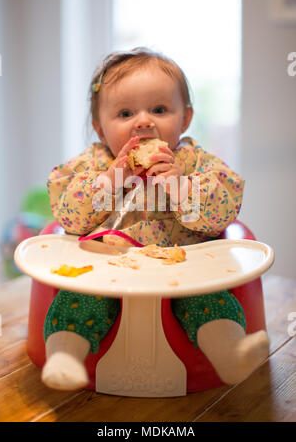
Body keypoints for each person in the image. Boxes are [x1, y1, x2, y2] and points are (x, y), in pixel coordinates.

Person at [43, 47, 269, 391]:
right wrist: (108, 182)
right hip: (107, 269)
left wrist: (180, 187)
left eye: (160, 109)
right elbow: (67, 213)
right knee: (77, 300)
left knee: (210, 300)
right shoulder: (93, 164)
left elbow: (224, 207)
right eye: (125, 113)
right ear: (100, 130)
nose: (144, 121)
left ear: (185, 118)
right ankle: (65, 357)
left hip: (184, 269)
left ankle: (231, 354)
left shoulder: (193, 161)